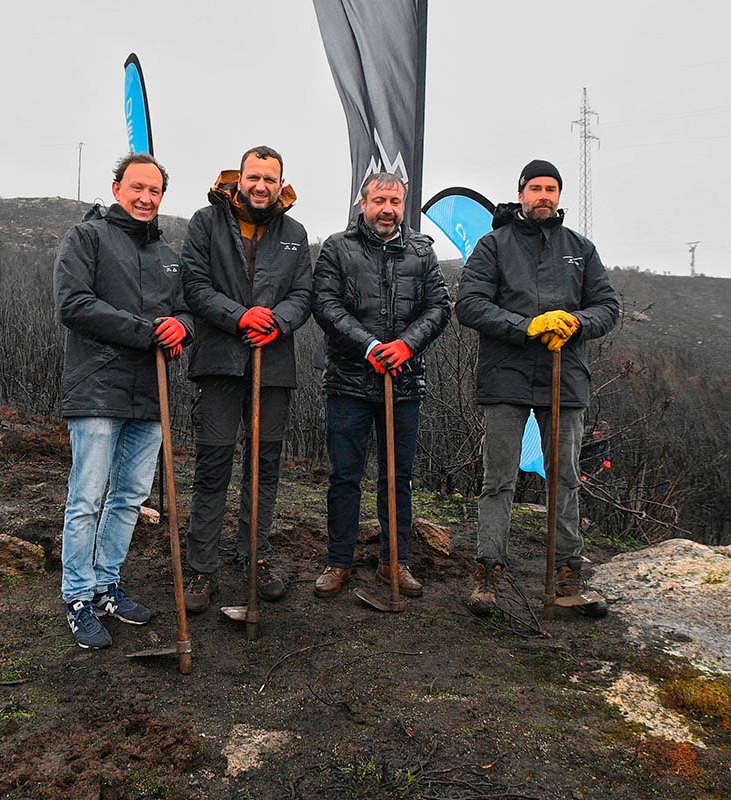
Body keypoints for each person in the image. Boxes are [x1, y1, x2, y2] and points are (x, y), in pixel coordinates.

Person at [455, 159, 620, 617]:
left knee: (564, 478)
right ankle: (489, 567)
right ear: (521, 193)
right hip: (505, 377)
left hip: (565, 378)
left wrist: (575, 322)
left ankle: (568, 566)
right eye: (536, 188)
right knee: (498, 479)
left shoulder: (580, 249)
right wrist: (528, 327)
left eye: (551, 189)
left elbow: (608, 306)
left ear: (559, 195)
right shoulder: (494, 245)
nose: (544, 196)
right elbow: (468, 304)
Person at [53, 153, 192, 649]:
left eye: (154, 191)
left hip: (150, 394)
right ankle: (77, 596)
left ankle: (107, 585)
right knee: (87, 498)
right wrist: (146, 333)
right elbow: (74, 305)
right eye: (137, 188)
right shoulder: (85, 238)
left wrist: (183, 327)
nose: (145, 198)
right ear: (116, 189)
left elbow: (183, 311)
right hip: (96, 388)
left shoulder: (167, 255)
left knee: (130, 497)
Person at [180, 145, 312, 613]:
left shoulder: (295, 233)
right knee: (213, 466)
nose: (261, 186)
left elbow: (304, 293)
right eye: (253, 177)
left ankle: (255, 555)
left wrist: (275, 321)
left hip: (273, 368)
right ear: (240, 178)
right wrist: (240, 318)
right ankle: (201, 567)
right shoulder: (205, 222)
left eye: (269, 179)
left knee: (264, 468)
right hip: (219, 362)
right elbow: (194, 286)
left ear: (281, 183)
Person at [310, 172, 452, 598]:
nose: (388, 209)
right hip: (350, 381)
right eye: (380, 201)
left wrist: (406, 346)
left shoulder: (421, 252)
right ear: (363, 203)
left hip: (404, 383)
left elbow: (440, 306)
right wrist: (369, 345)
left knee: (398, 478)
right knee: (345, 477)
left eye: (395, 202)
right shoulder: (337, 247)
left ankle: (395, 562)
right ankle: (339, 561)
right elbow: (325, 303)